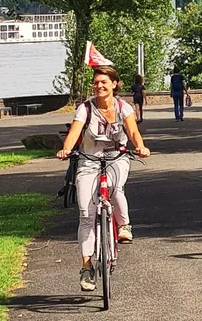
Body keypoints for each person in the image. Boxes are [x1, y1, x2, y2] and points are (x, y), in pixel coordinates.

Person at [57, 65, 151, 292]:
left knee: (116, 187)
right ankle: (87, 267)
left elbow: (133, 132)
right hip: (89, 160)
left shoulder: (123, 107)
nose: (99, 86)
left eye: (104, 82)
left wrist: (140, 147)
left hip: (116, 158)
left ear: (114, 85)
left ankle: (124, 225)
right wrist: (66, 149)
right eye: (96, 82)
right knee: (85, 213)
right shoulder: (85, 109)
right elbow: (74, 133)